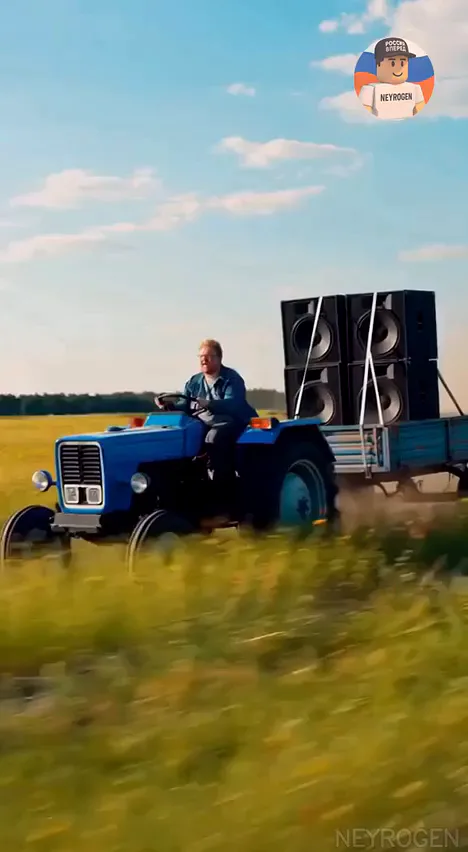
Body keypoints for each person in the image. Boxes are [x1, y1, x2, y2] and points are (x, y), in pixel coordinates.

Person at [156, 339, 258, 515]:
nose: (204, 360)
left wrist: (210, 403)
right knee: (182, 434)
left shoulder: (231, 379)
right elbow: (184, 405)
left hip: (231, 422)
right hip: (203, 422)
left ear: (219, 358)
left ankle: (222, 489)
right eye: (201, 357)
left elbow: (234, 404)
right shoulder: (194, 382)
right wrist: (168, 405)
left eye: (209, 356)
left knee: (214, 438)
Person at [359, 37, 425, 121]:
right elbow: (363, 115)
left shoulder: (415, 88)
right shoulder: (370, 90)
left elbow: (420, 112)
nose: (398, 68)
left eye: (402, 63)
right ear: (378, 64)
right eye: (392, 63)